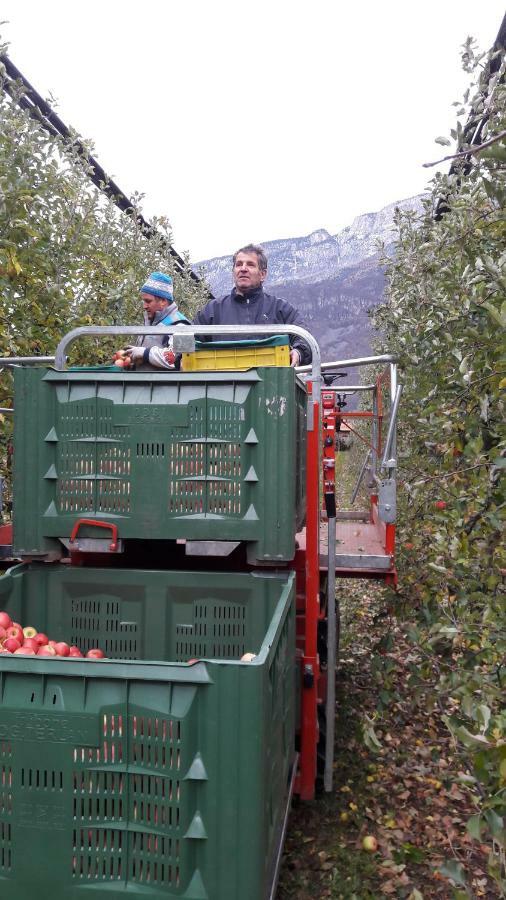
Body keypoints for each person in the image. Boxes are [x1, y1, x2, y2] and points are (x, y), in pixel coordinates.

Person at [194, 244, 312, 365]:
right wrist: (181, 357)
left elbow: (304, 336)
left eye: (250, 264)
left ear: (262, 274)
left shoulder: (280, 309)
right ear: (233, 272)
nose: (243, 269)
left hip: (271, 382)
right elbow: (190, 339)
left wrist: (299, 352)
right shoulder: (212, 310)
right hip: (223, 382)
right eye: (239, 264)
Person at [124, 272, 190, 369]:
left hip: (166, 384)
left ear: (163, 301)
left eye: (148, 301)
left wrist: (145, 353)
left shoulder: (181, 325)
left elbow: (182, 360)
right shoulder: (150, 323)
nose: (144, 306)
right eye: (143, 301)